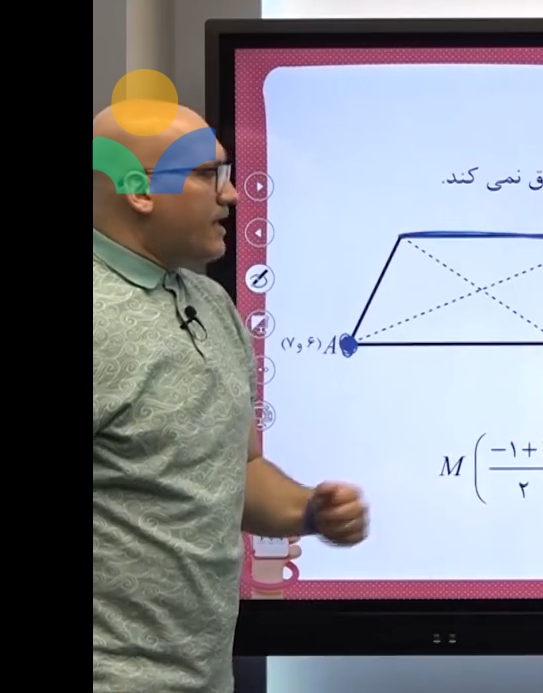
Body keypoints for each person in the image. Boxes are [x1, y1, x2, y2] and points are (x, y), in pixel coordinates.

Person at [92, 103, 371, 693]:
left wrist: (311, 511)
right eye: (206, 174)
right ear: (139, 191)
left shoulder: (213, 306)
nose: (232, 195)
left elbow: (233, 470)